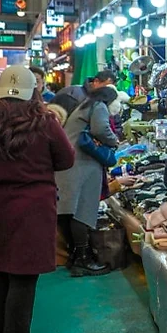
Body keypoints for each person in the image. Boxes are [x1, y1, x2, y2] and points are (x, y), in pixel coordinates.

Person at [0, 66, 75, 333]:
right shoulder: (44, 121)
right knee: (24, 277)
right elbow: (66, 158)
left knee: (0, 272)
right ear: (31, 91)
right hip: (32, 208)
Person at [54, 82, 120, 277]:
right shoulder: (98, 106)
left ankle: (76, 256)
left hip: (69, 165)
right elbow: (101, 129)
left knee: (68, 211)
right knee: (82, 211)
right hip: (83, 165)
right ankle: (83, 259)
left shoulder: (83, 105)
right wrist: (114, 140)